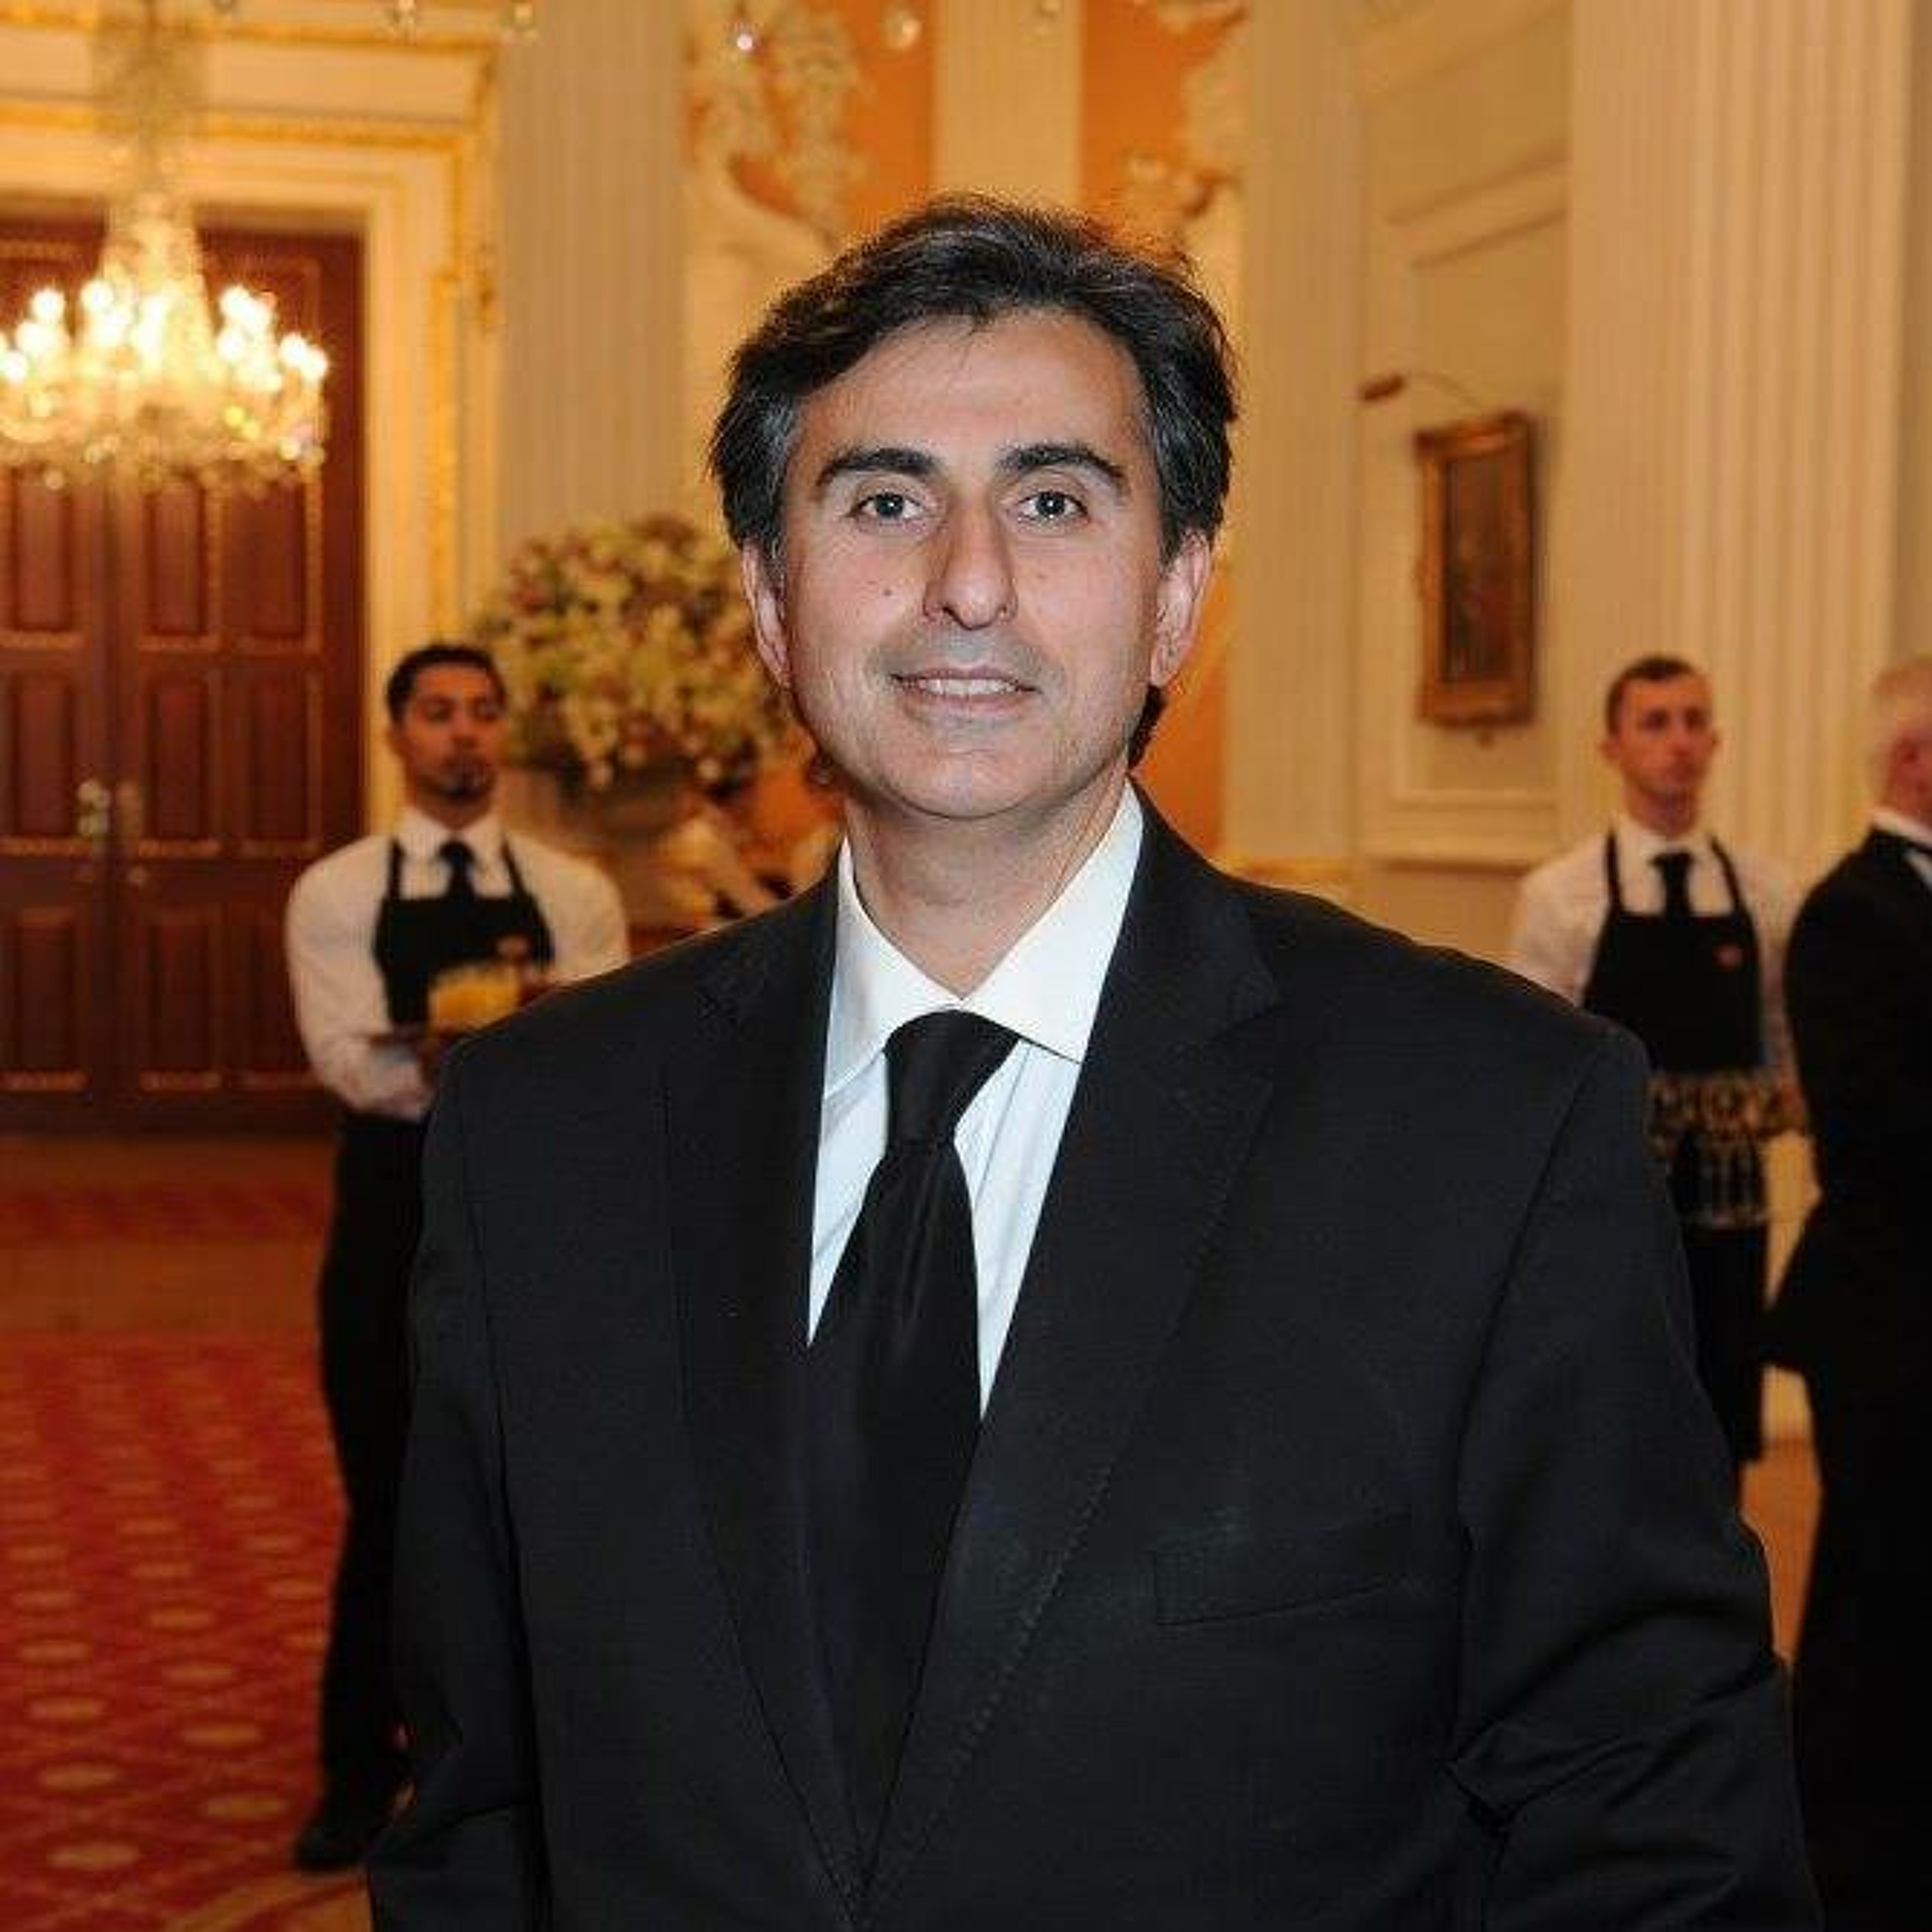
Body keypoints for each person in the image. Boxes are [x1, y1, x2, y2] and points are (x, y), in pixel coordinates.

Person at [369, 200, 1814, 1926]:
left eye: (1054, 500)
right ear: (766, 595)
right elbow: (482, 1808)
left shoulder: (1489, 1125)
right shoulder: (540, 1133)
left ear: (1175, 594)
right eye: (884, 500)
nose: (968, 582)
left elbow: (1657, 1820)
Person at [283, 641, 627, 1871]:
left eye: (483, 711)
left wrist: (480, 1053)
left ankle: (530, 1771)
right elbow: (351, 1063)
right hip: (391, 1214)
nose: (464, 732)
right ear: (398, 736)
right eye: (438, 712)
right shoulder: (334, 892)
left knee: (530, 1506)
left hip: (536, 1228)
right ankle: (356, 1772)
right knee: (387, 1499)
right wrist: (482, 1055)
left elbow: (600, 1054)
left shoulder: (574, 889)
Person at [1507, 656, 1797, 1477]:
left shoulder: (1766, 892)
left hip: (1730, 1198)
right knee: (1617, 1409)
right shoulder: (1561, 895)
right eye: (1655, 723)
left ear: (1716, 742)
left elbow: (1778, 1036)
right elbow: (1532, 1057)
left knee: (1721, 1408)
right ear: (1612, 747)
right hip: (1615, 1192)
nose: (1679, 742)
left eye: (1694, 722)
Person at [1766, 656, 1932, 1929]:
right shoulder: (1850, 911)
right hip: (1886, 1306)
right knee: (1874, 1576)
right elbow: (1868, 1128)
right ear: (1917, 761)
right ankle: (1838, 1847)